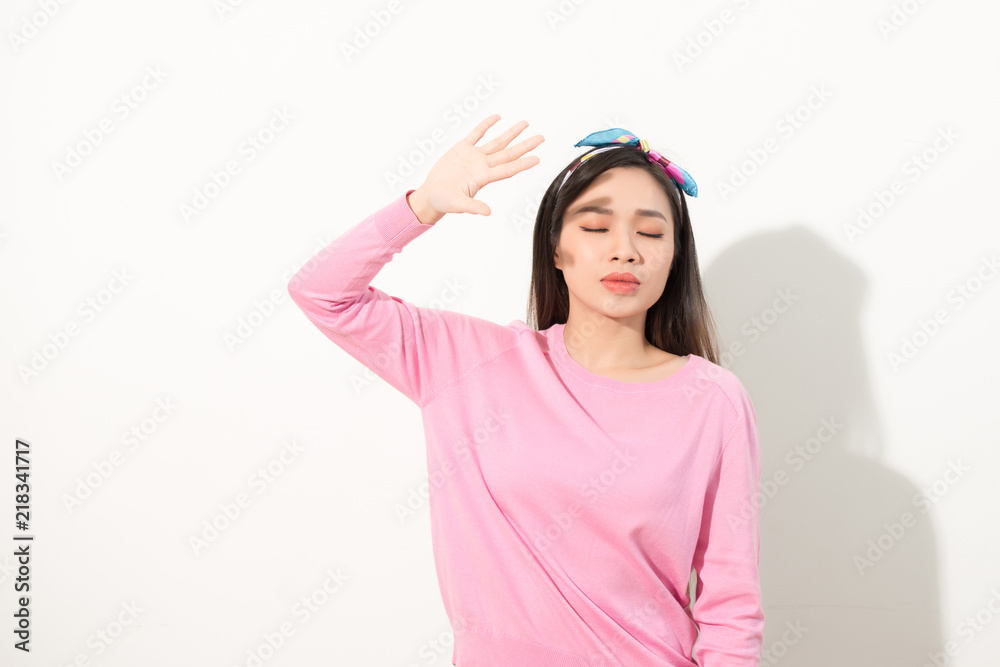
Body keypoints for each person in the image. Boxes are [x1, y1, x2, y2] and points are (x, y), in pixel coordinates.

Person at [287, 115, 764, 666]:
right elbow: (322, 294)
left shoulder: (712, 402)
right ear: (556, 248)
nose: (625, 249)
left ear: (674, 257)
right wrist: (422, 206)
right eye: (595, 227)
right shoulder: (467, 363)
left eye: (651, 233)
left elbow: (731, 610)